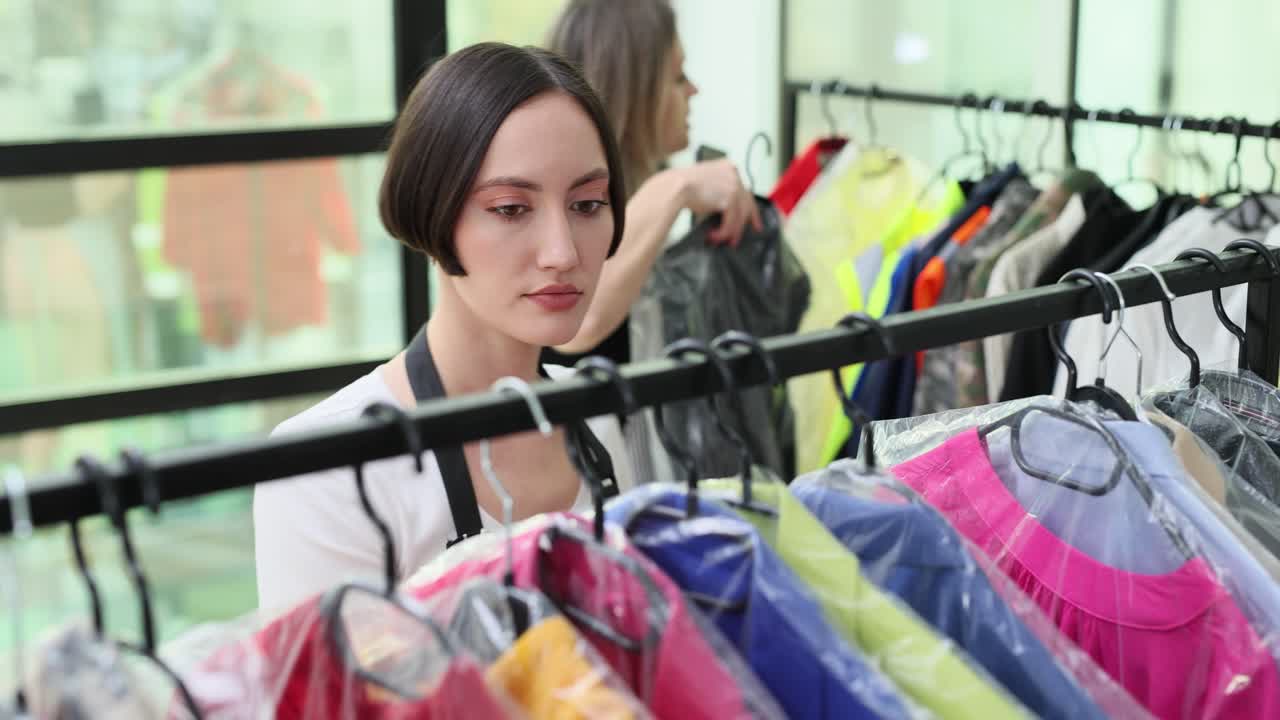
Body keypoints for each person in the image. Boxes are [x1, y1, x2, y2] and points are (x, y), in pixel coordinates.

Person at [253, 42, 633, 612]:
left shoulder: (595, 416)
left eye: (587, 204)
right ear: (431, 211)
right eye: (510, 208)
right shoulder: (327, 468)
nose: (562, 253)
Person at [543, 0, 762, 364]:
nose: (693, 90)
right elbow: (577, 325)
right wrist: (675, 188)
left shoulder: (636, 205)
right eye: (678, 77)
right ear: (634, 92)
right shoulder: (559, 207)